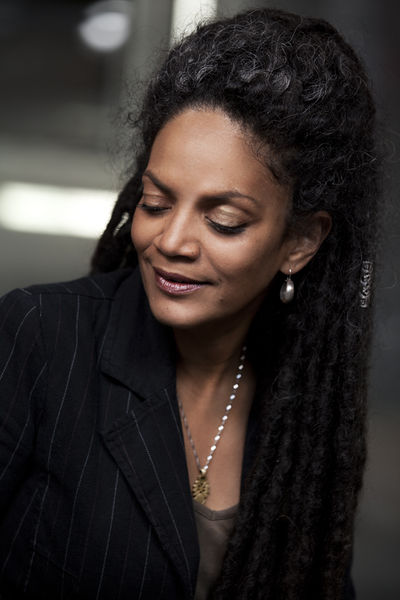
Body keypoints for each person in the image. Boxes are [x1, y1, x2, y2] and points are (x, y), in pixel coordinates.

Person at [0, 7, 380, 600]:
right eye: (155, 203)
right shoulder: (41, 338)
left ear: (300, 243)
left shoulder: (304, 411)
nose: (171, 241)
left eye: (223, 220)